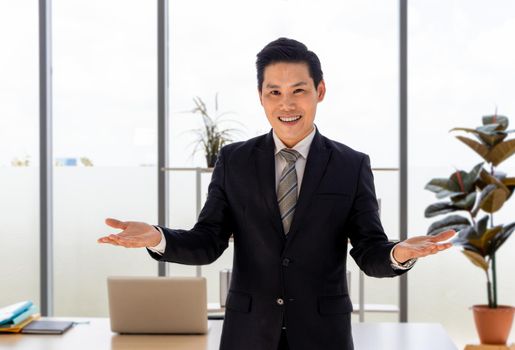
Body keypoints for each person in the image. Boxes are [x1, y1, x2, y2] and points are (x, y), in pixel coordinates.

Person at [98, 37, 455, 350]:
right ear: (261, 97)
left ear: (320, 91)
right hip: (248, 333)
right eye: (275, 92)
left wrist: (398, 253)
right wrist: (158, 238)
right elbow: (208, 240)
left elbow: (367, 249)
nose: (286, 104)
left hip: (323, 335)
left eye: (298, 90)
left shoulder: (351, 165)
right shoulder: (233, 160)